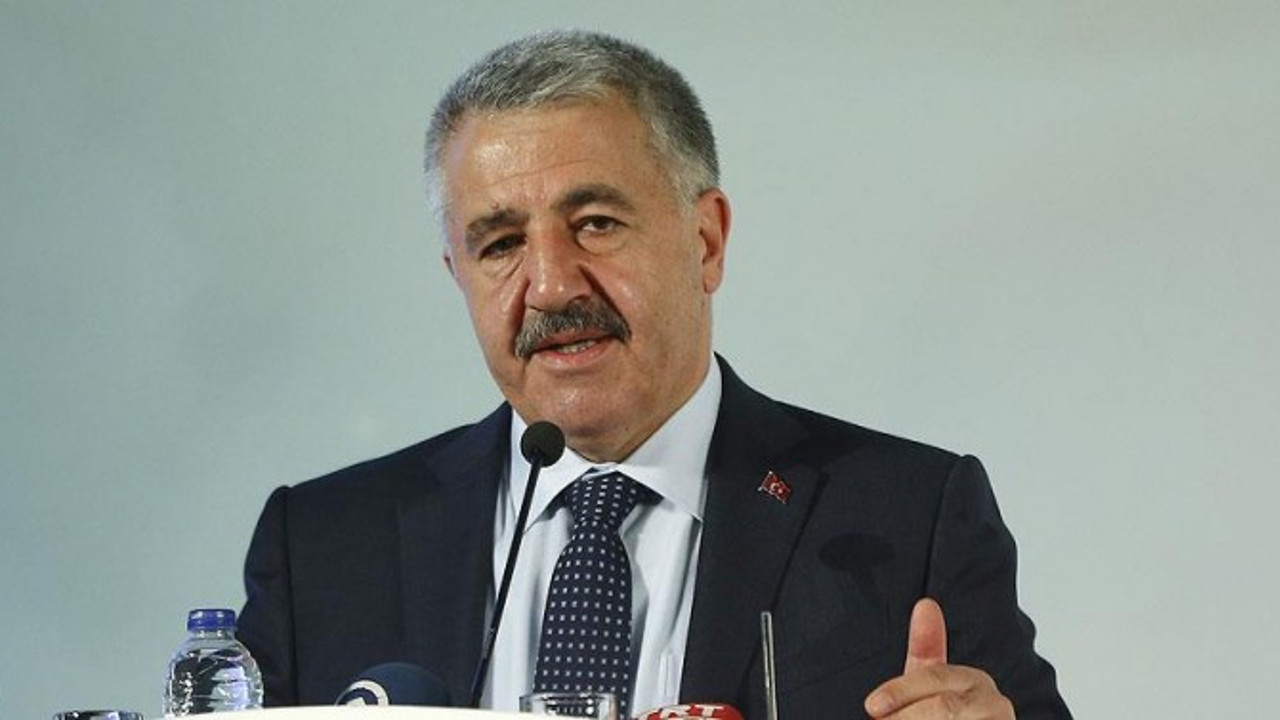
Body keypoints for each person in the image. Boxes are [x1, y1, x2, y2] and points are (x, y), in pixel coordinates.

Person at [237, 30, 1071, 719]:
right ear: (459, 275)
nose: (551, 285)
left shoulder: (907, 520)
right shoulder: (322, 548)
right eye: (501, 244)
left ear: (706, 241)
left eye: (596, 223)